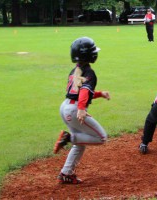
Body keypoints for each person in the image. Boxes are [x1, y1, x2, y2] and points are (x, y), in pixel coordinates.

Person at [53, 37, 110, 184]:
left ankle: (66, 173)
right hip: (74, 109)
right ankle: (68, 138)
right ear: (88, 55)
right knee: (101, 138)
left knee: (80, 143)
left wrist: (99, 94)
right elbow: (84, 91)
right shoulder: (89, 72)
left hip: (65, 107)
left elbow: (79, 91)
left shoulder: (75, 70)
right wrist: (81, 109)